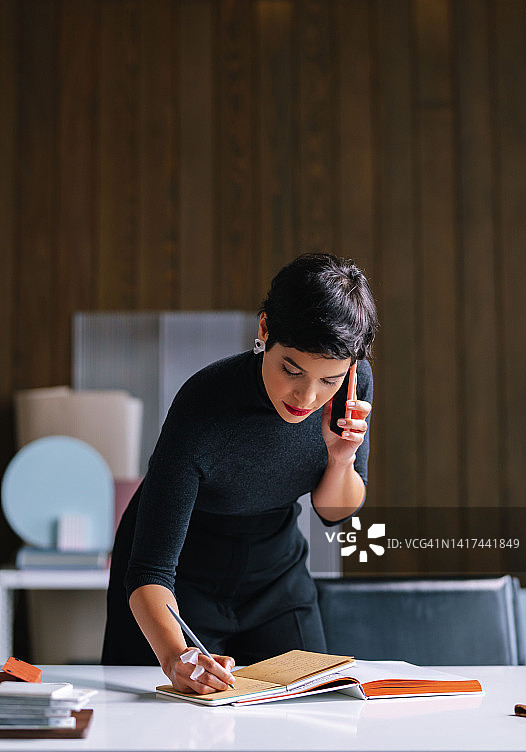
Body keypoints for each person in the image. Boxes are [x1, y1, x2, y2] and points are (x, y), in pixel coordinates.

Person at [102, 252, 378, 695]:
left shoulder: (353, 381)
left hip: (275, 574)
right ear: (265, 329)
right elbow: (150, 570)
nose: (306, 396)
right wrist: (177, 657)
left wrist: (342, 458)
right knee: (164, 720)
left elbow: (334, 514)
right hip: (179, 577)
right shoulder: (203, 404)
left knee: (313, 713)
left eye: (328, 380)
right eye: (291, 369)